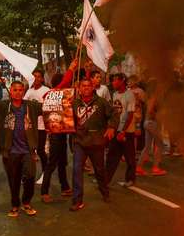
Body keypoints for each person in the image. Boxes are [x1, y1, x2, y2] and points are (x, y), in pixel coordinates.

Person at [0, 81, 42, 217]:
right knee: (13, 180)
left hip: (28, 151)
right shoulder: (3, 106)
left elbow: (48, 107)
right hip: (11, 152)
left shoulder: (30, 106)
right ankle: (15, 205)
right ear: (11, 90)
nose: (18, 92)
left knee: (30, 177)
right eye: (15, 90)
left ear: (24, 91)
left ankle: (26, 202)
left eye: (21, 90)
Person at [70, 76, 116, 210]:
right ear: (79, 89)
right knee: (76, 170)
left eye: (88, 86)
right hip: (80, 142)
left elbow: (114, 114)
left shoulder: (101, 102)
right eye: (83, 86)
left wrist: (111, 127)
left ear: (92, 88)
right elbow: (67, 119)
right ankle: (77, 200)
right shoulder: (74, 104)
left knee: (100, 170)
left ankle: (105, 192)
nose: (86, 88)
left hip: (97, 143)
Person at [40, 73, 71, 202]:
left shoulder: (63, 95)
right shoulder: (50, 94)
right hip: (55, 134)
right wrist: (71, 69)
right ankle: (44, 191)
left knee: (62, 162)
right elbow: (64, 83)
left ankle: (64, 187)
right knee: (52, 164)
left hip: (63, 133)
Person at [105, 73, 137, 188]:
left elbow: (130, 114)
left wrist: (123, 131)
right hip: (116, 130)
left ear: (122, 81)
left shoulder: (130, 95)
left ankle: (130, 179)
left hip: (127, 131)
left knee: (129, 157)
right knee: (111, 156)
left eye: (115, 80)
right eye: (112, 80)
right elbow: (115, 113)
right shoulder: (115, 95)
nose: (113, 83)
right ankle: (106, 180)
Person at [23, 69, 50, 183]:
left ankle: (45, 174)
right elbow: (23, 105)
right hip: (30, 126)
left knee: (40, 150)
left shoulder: (47, 90)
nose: (36, 78)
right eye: (34, 76)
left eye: (38, 76)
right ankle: (28, 175)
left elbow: (48, 108)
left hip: (42, 126)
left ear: (42, 79)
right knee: (29, 151)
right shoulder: (29, 91)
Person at [136, 81, 167, 176]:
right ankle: (156, 168)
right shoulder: (154, 97)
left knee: (147, 146)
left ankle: (139, 167)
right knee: (160, 145)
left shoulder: (149, 97)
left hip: (147, 123)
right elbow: (151, 111)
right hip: (152, 123)